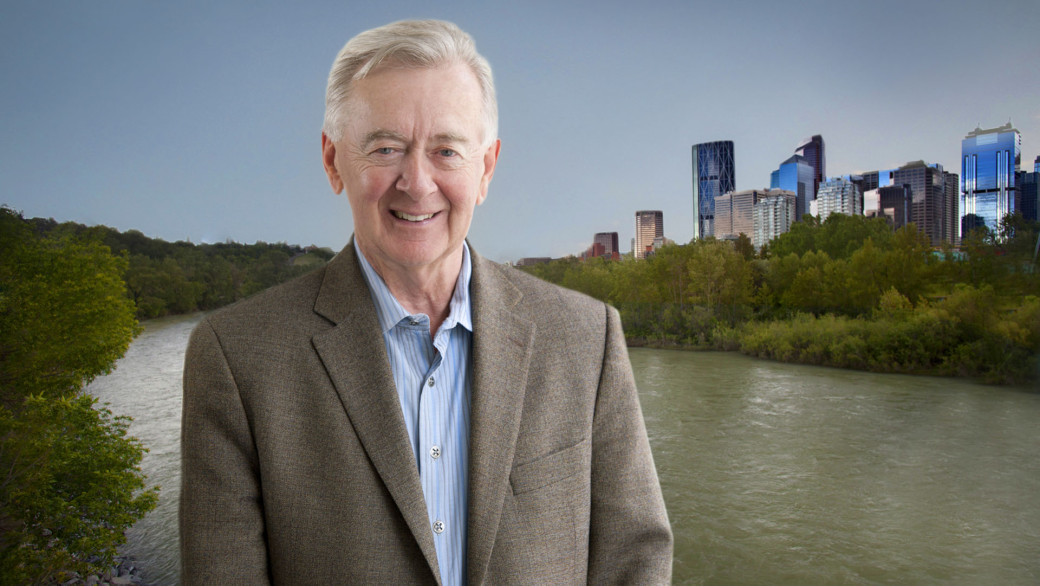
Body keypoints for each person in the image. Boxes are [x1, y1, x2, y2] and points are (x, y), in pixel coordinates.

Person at [180, 19, 672, 585]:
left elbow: (636, 558)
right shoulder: (237, 358)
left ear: (485, 168)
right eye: (386, 148)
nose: (416, 182)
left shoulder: (587, 338)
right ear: (332, 159)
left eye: (446, 150)